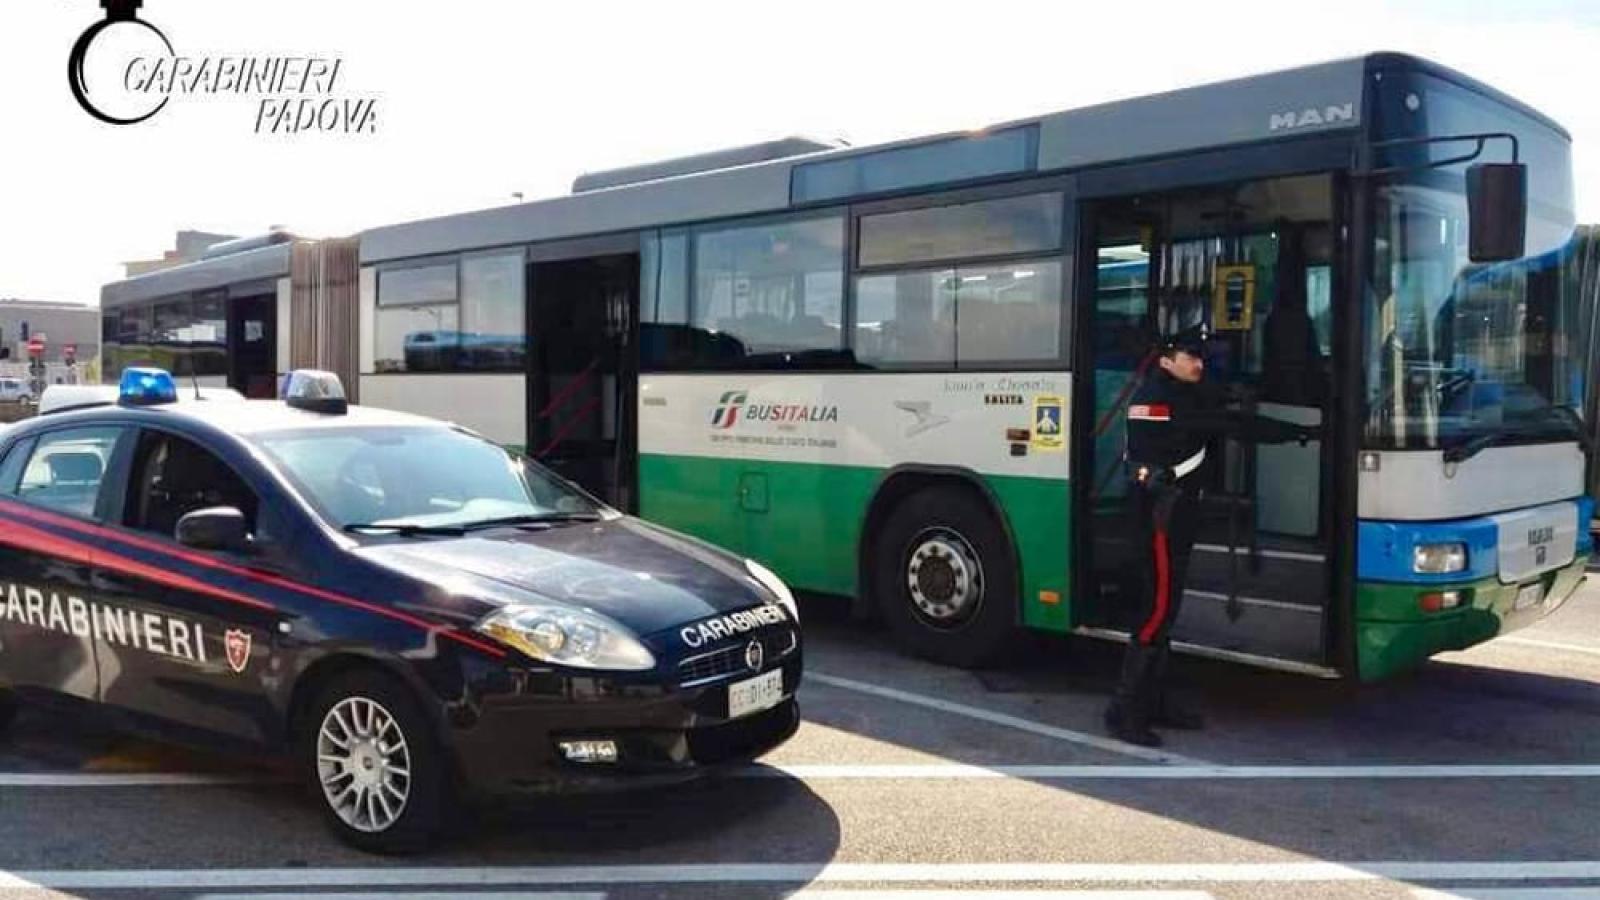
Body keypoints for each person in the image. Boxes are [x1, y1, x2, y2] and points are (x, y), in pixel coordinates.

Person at [1104, 324, 1314, 747]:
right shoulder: (1156, 402)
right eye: (1189, 357)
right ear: (1166, 361)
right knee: (1156, 612)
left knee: (1167, 609)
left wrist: (1295, 430)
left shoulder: (1183, 394)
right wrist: (1294, 432)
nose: (1199, 363)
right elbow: (1228, 424)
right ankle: (1125, 710)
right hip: (1160, 517)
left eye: (1200, 357)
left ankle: (1156, 701)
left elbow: (1225, 416)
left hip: (1180, 513)